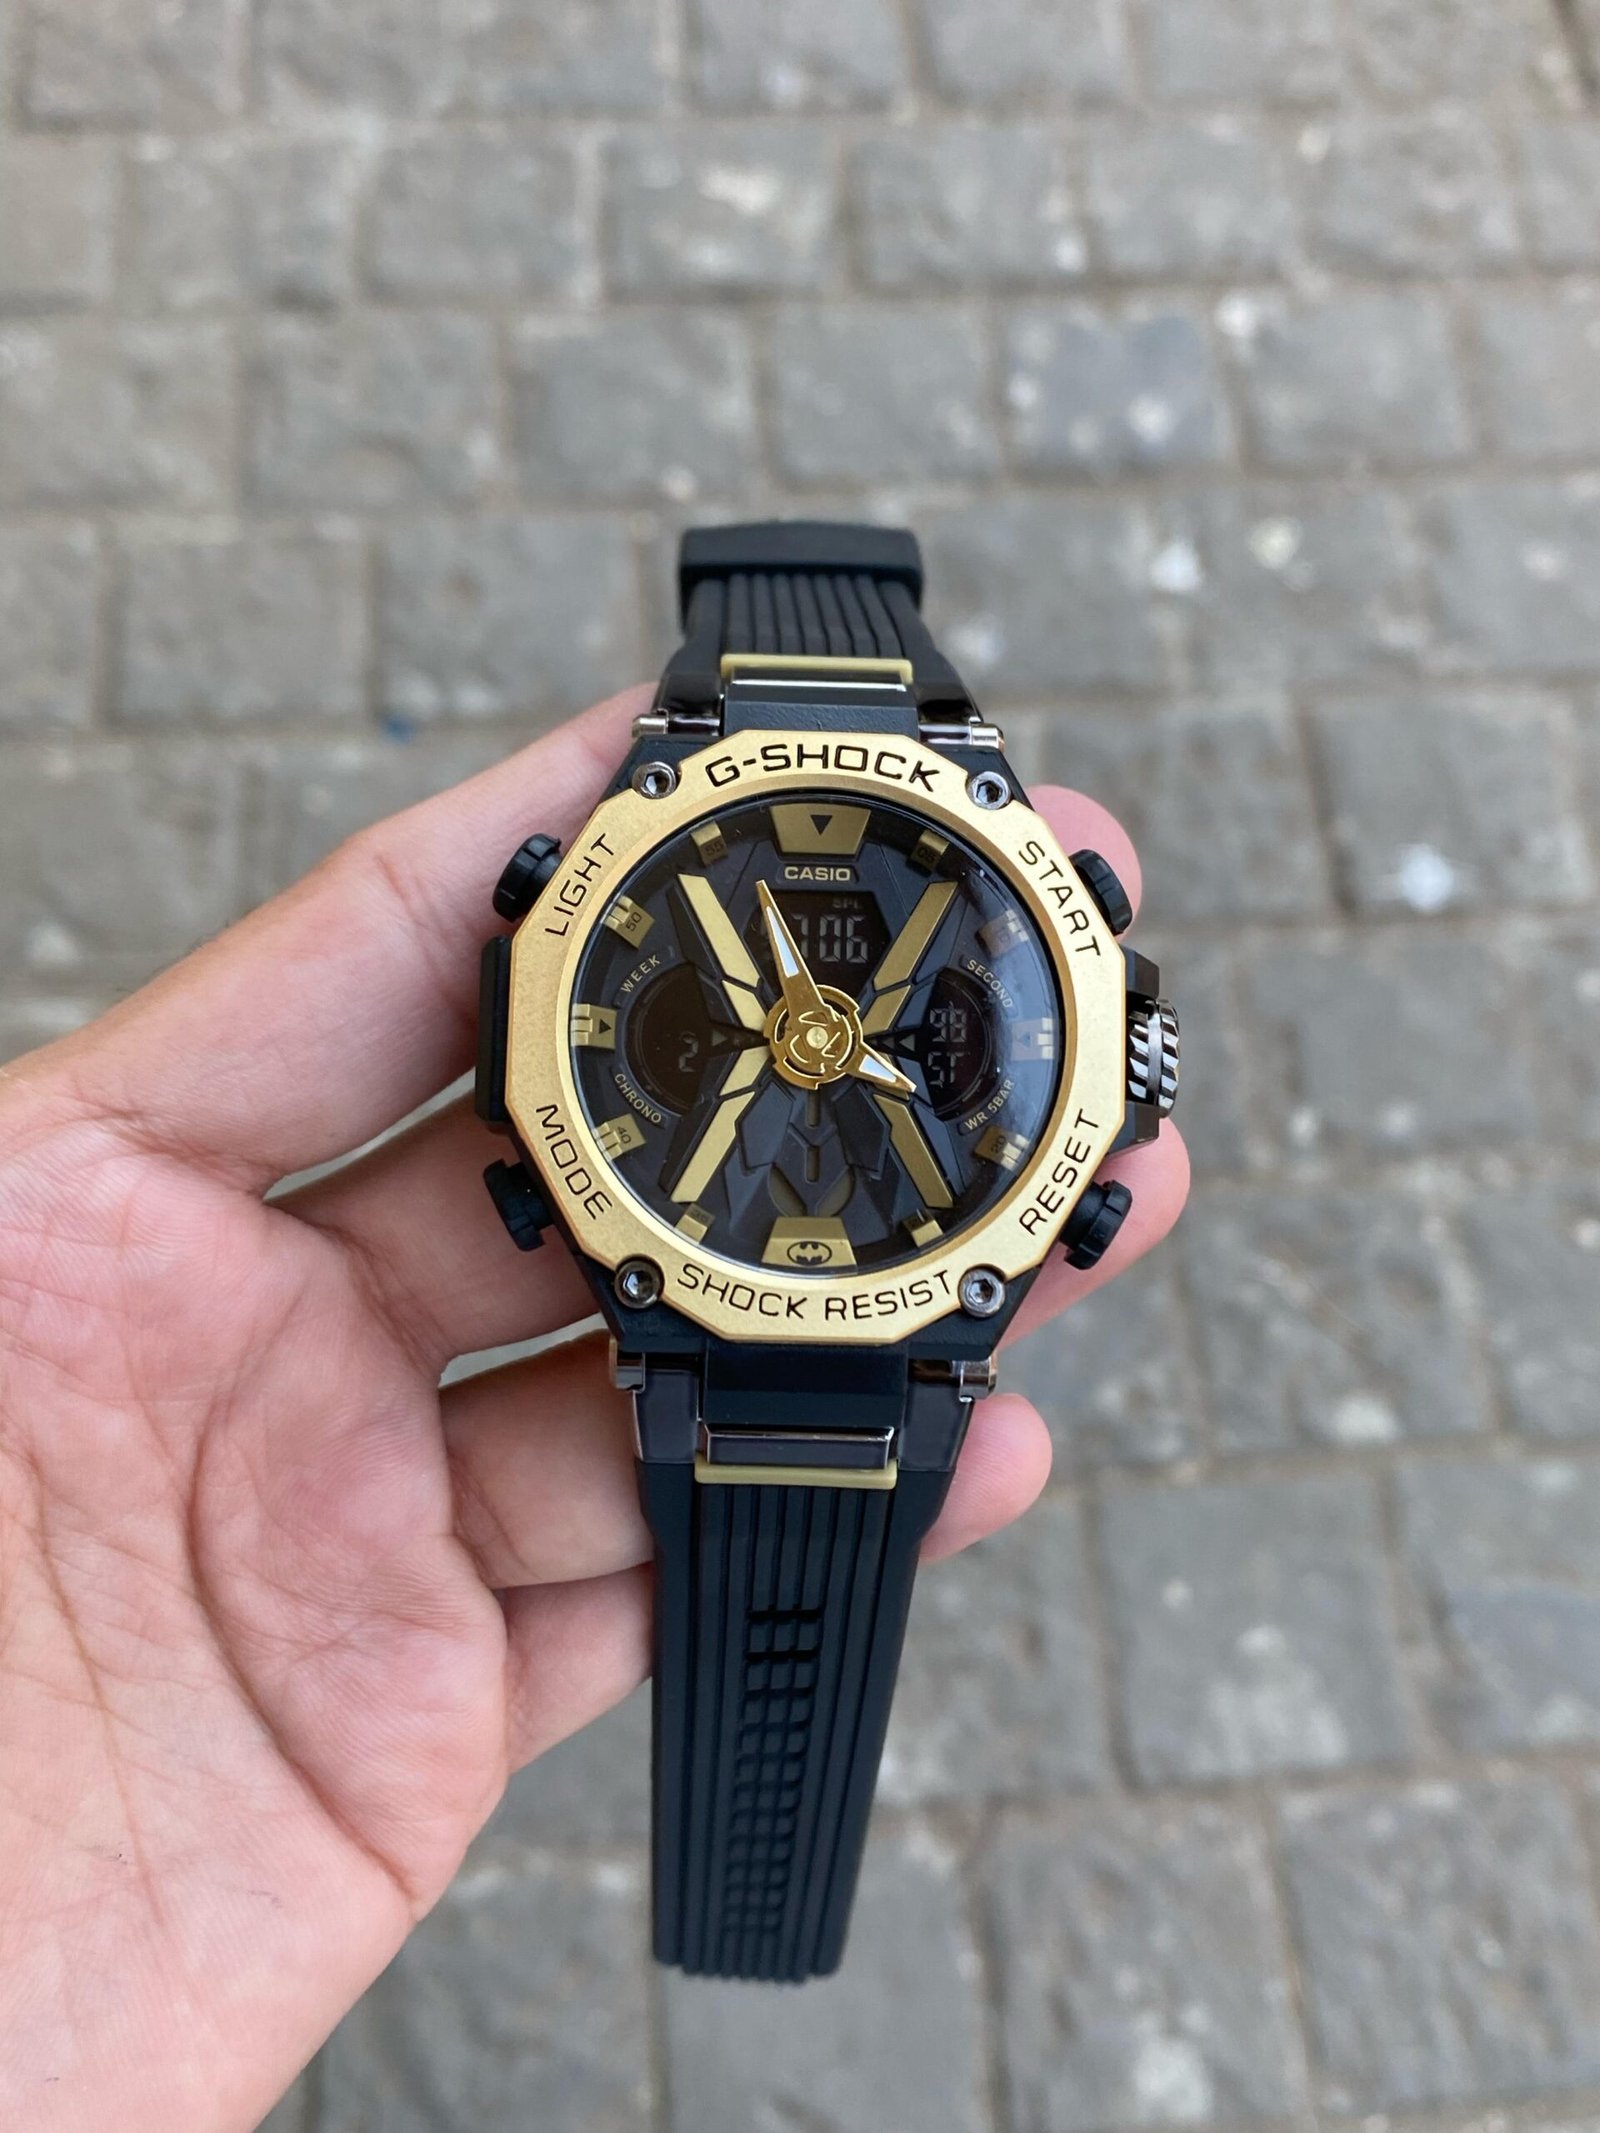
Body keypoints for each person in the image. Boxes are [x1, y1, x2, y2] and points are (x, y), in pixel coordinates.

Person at [0, 685, 1189, 2131]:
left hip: (793, 1291)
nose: (814, 1040)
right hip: (748, 1298)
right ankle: (749, 1921)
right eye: (792, 1027)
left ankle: (756, 1916)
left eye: (846, 1032)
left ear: (1120, 1056)